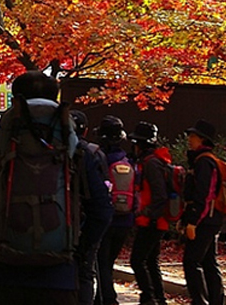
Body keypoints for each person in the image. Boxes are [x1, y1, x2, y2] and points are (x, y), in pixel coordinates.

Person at [0, 70, 113, 305]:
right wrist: (76, 252)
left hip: (4, 274)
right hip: (59, 277)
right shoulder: (76, 152)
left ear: (14, 102)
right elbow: (102, 211)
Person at [181, 119, 226, 305]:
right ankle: (216, 301)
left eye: (193, 136)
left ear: (202, 140)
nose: (189, 139)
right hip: (211, 219)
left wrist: (192, 222)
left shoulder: (204, 163)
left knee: (191, 262)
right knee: (208, 263)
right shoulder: (206, 161)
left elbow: (204, 195)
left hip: (204, 220)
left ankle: (199, 302)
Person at [70, 110, 109, 305]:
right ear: (85, 131)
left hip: (59, 223)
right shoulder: (94, 153)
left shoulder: (54, 149)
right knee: (86, 271)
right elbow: (103, 197)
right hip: (87, 221)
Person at [95, 116, 135, 305]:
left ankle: (107, 299)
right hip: (125, 219)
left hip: (106, 219)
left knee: (101, 262)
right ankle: (103, 297)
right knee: (109, 262)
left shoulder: (99, 159)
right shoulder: (127, 161)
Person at [130, 121, 171, 305]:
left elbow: (159, 195)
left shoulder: (151, 164)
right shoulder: (155, 161)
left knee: (137, 260)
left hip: (152, 220)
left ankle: (149, 297)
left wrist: (145, 212)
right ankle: (158, 298)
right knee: (151, 260)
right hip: (157, 220)